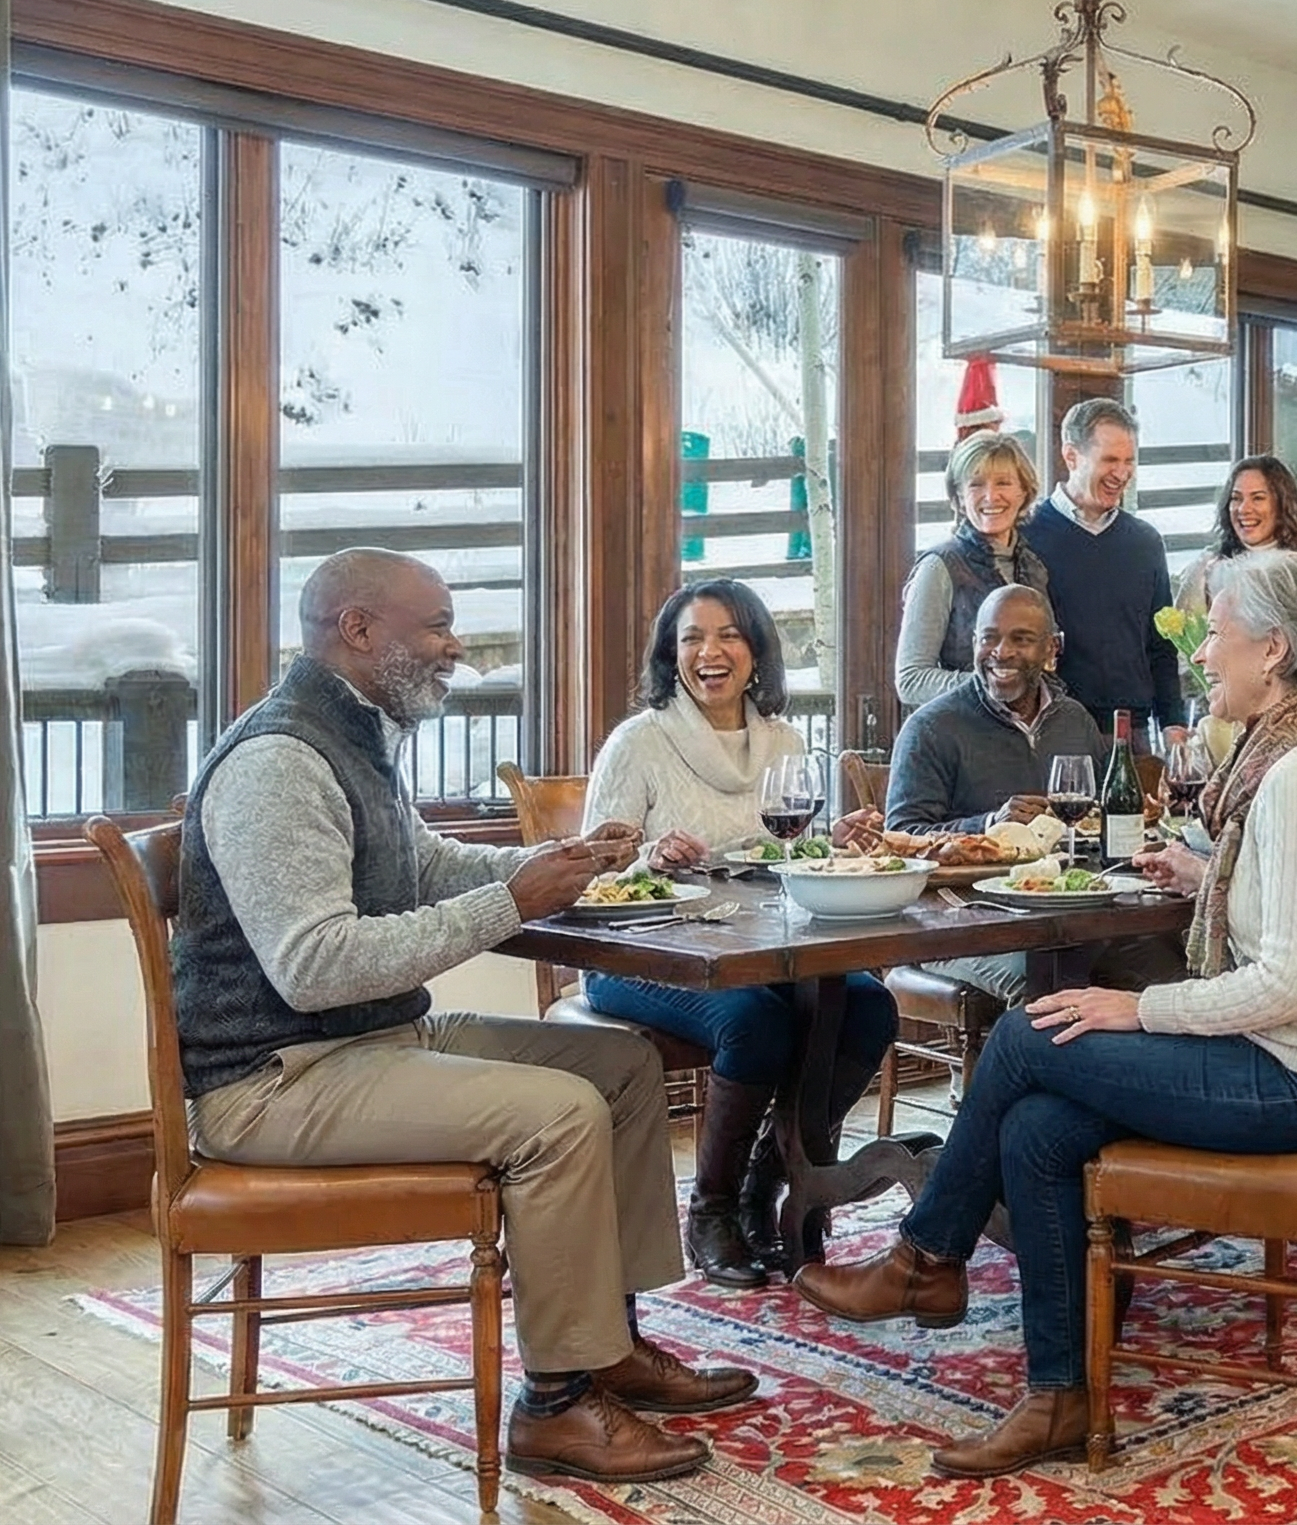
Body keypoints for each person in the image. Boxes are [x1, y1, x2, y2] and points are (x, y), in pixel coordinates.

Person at [791, 551, 1297, 1479]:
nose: (1204, 656)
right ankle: (1059, 1396)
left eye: (1219, 636)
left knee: (1024, 1035)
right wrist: (1212, 876)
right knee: (1037, 1129)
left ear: (1274, 650)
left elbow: (1287, 988)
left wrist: (1138, 1007)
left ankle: (926, 1256)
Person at [171, 548, 755, 1484]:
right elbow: (314, 966)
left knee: (621, 1067)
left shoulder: (353, 735)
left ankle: (606, 1343)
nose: (455, 646)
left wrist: (563, 864)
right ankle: (557, 1405)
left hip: (366, 1043)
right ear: (358, 630)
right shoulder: (279, 760)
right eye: (437, 626)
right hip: (275, 1079)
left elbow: (428, 865)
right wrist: (511, 903)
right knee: (558, 1112)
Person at [583, 578, 899, 1288]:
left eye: (727, 635)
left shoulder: (782, 740)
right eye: (692, 638)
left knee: (868, 1006)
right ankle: (712, 1210)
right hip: (643, 955)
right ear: (671, 655)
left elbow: (785, 857)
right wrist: (648, 856)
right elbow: (592, 868)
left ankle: (770, 1184)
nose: (710, 652)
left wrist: (828, 842)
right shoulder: (639, 742)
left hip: (754, 953)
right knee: (756, 1022)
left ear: (756, 651)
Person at [841, 586, 1176, 1003]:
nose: (1001, 652)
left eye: (1021, 639)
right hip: (957, 926)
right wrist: (989, 825)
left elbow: (1092, 818)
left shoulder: (1075, 720)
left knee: (1171, 971)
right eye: (989, 637)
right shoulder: (931, 727)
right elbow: (903, 837)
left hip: (1069, 916)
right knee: (1045, 984)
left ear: (1052, 649)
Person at [1020, 397, 1188, 744]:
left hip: (1133, 733)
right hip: (1051, 728)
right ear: (1071, 456)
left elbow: (1161, 646)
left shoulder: (1145, 542)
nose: (1122, 473)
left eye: (1129, 461)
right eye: (1110, 460)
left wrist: (1173, 724)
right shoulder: (1027, 536)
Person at [894, 430, 1051, 710]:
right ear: (958, 497)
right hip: (958, 730)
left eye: (1003, 483)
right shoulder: (939, 567)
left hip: (1027, 730)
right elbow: (911, 681)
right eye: (976, 485)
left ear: (1024, 492)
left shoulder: (1034, 567)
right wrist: (996, 686)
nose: (991, 496)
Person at [1173, 454, 1297, 616]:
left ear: (1283, 504)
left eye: (1258, 498)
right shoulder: (1205, 569)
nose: (1244, 509)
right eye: (1236, 498)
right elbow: (1182, 628)